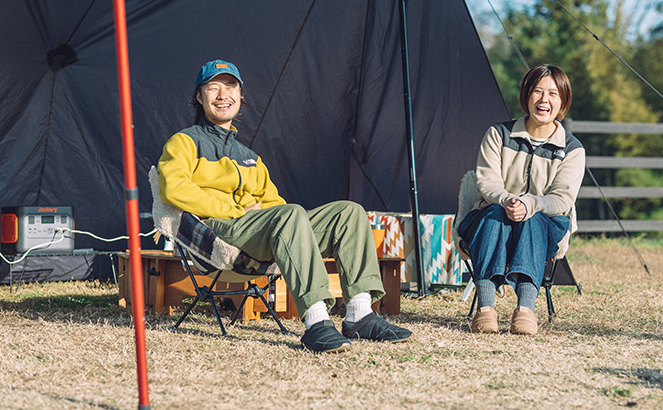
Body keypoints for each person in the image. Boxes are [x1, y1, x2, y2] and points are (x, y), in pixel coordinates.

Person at [157, 59, 412, 353]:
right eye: (213, 88)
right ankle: (317, 321)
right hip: (218, 231)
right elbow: (173, 188)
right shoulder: (185, 142)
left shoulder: (249, 156)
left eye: (230, 87)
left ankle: (360, 314)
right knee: (289, 214)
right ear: (199, 97)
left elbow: (274, 204)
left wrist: (270, 216)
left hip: (258, 231)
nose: (223, 95)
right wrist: (235, 210)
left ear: (240, 96)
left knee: (348, 213)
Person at [457, 64, 585, 335]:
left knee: (533, 220)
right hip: (492, 216)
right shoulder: (498, 134)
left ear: (563, 102)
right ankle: (485, 308)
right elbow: (487, 182)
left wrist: (531, 204)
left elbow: (562, 198)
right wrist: (508, 201)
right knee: (494, 215)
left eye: (552, 94)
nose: (544, 100)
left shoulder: (572, 149)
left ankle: (525, 309)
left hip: (545, 224)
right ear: (527, 95)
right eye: (538, 91)